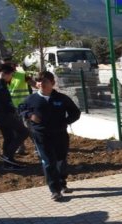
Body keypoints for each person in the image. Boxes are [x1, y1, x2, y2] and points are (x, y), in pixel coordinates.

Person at [19, 71, 81, 201]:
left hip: (60, 134)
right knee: (48, 162)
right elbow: (21, 109)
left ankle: (62, 183)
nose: (40, 83)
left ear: (52, 83)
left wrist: (65, 122)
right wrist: (30, 116)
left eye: (44, 81)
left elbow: (75, 112)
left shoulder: (62, 98)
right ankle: (55, 190)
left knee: (61, 160)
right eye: (38, 81)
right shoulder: (31, 99)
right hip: (41, 135)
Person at [0, 63, 29, 171]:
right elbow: (4, 99)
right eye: (11, 74)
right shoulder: (0, 83)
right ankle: (8, 157)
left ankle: (7, 162)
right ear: (3, 74)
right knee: (23, 132)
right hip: (2, 114)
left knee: (9, 136)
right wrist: (14, 110)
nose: (12, 77)